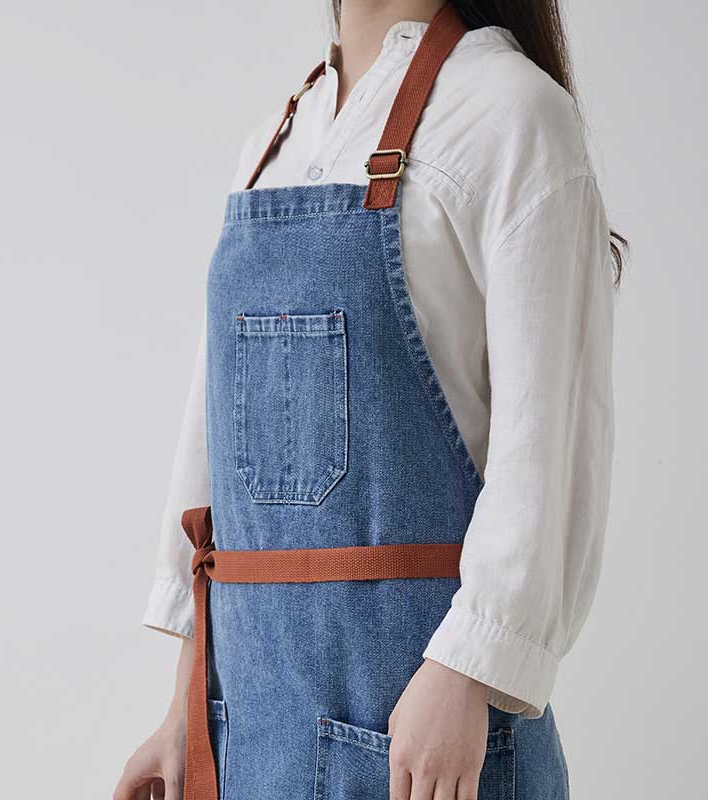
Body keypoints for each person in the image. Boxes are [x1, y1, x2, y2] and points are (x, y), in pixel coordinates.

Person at [114, 1, 620, 798]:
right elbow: (209, 445)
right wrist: (188, 701)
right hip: (249, 731)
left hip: (418, 743)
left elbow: (550, 441)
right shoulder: (276, 142)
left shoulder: (512, 113)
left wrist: (467, 669)